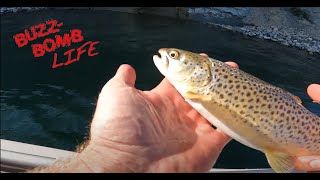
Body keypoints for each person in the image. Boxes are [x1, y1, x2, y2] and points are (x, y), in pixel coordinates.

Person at [28, 54, 320, 173]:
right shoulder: (198, 90)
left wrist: (107, 160)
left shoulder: (207, 86)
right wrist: (117, 156)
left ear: (203, 74)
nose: (167, 55)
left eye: (176, 57)